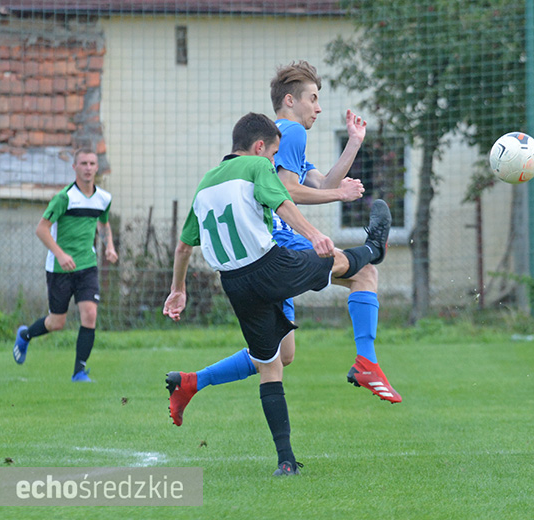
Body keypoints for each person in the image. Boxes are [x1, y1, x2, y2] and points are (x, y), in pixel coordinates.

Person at [163, 112, 391, 476]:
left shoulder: (205, 183)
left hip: (234, 284)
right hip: (268, 266)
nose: (274, 163)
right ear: (258, 148)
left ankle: (285, 461)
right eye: (272, 155)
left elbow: (183, 248)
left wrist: (178, 289)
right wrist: (314, 234)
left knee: (273, 361)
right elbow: (284, 201)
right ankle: (375, 248)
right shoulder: (257, 167)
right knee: (347, 264)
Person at [269, 60, 400, 403]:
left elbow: (324, 182)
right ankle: (367, 362)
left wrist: (354, 143)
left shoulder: (279, 138)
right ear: (289, 100)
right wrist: (339, 195)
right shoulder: (292, 132)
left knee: (281, 355)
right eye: (312, 98)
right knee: (365, 272)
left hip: (268, 249)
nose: (318, 106)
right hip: (284, 243)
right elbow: (288, 191)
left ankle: (192, 382)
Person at [12, 149, 118, 382]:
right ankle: (26, 335)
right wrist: (60, 254)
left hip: (87, 266)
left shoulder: (104, 198)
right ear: (75, 167)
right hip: (60, 269)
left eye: (92, 163)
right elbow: (41, 228)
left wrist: (108, 245)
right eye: (83, 163)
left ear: (96, 168)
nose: (88, 167)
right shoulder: (64, 198)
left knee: (90, 314)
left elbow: (103, 224)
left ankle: (79, 372)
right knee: (56, 322)